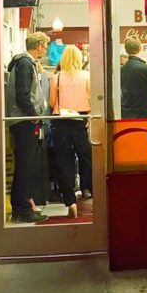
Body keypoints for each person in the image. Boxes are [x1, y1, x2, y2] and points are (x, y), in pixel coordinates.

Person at [5, 31, 50, 223]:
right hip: (24, 121)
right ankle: (22, 210)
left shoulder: (21, 63)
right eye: (45, 45)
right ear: (39, 45)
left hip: (21, 121)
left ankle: (23, 206)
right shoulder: (25, 63)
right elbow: (23, 94)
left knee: (24, 166)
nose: (46, 49)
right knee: (25, 166)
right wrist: (34, 115)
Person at [49, 45, 92, 218]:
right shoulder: (87, 76)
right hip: (80, 120)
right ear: (79, 58)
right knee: (86, 156)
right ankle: (87, 188)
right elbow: (92, 99)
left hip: (61, 120)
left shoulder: (56, 77)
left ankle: (70, 200)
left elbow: (52, 102)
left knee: (64, 160)